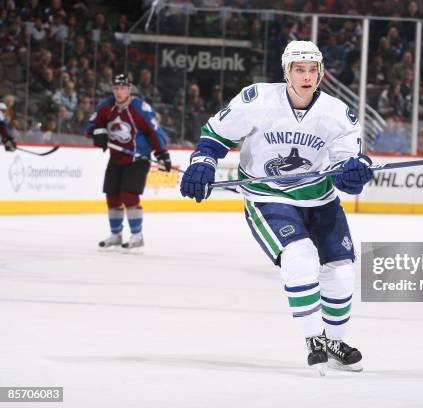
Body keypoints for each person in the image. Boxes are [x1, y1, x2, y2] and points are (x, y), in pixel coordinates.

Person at [180, 41, 373, 374]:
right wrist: (202, 161)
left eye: (313, 69)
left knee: (341, 273)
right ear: (287, 72)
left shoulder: (337, 114)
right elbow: (216, 134)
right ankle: (313, 338)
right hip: (267, 195)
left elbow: (346, 172)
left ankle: (334, 341)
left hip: (320, 200)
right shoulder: (257, 100)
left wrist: (356, 172)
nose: (307, 76)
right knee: (299, 258)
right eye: (300, 69)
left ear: (321, 72)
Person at [87, 74, 172, 250]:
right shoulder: (106, 106)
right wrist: (98, 133)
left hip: (138, 158)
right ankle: (116, 235)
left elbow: (154, 132)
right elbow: (93, 125)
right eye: (116, 88)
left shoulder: (140, 108)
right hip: (116, 157)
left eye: (123, 88)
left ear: (129, 89)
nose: (119, 92)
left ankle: (137, 235)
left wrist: (162, 154)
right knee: (112, 196)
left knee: (129, 195)